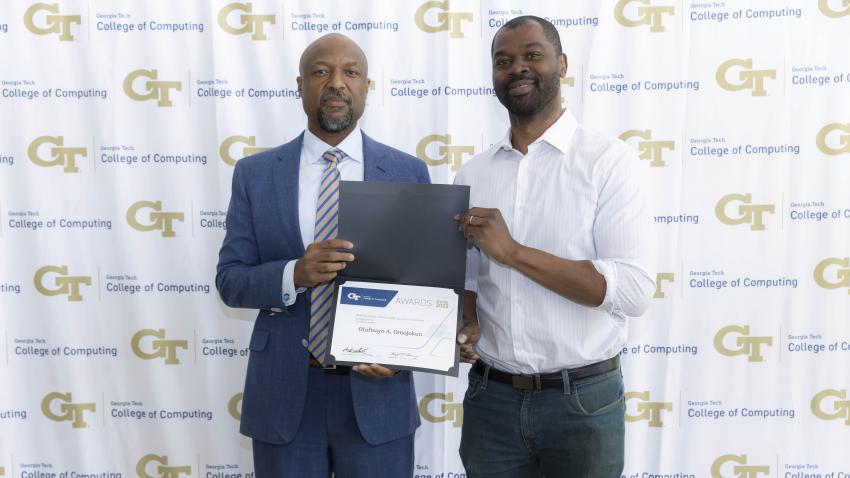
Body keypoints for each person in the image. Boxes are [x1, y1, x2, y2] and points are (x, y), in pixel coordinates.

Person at [216, 33, 429, 478]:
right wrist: (294, 273)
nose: (336, 83)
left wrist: (402, 354)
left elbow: (426, 286)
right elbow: (231, 280)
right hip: (285, 395)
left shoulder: (408, 172)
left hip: (377, 394)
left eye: (350, 72)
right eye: (320, 71)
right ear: (300, 85)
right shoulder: (255, 174)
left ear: (367, 86)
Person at [453, 16, 655, 478]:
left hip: (582, 402)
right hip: (491, 400)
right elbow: (466, 278)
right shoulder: (473, 174)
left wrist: (515, 253)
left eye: (531, 55)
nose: (517, 68)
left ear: (561, 64)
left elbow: (633, 292)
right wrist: (466, 320)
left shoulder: (609, 163)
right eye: (503, 61)